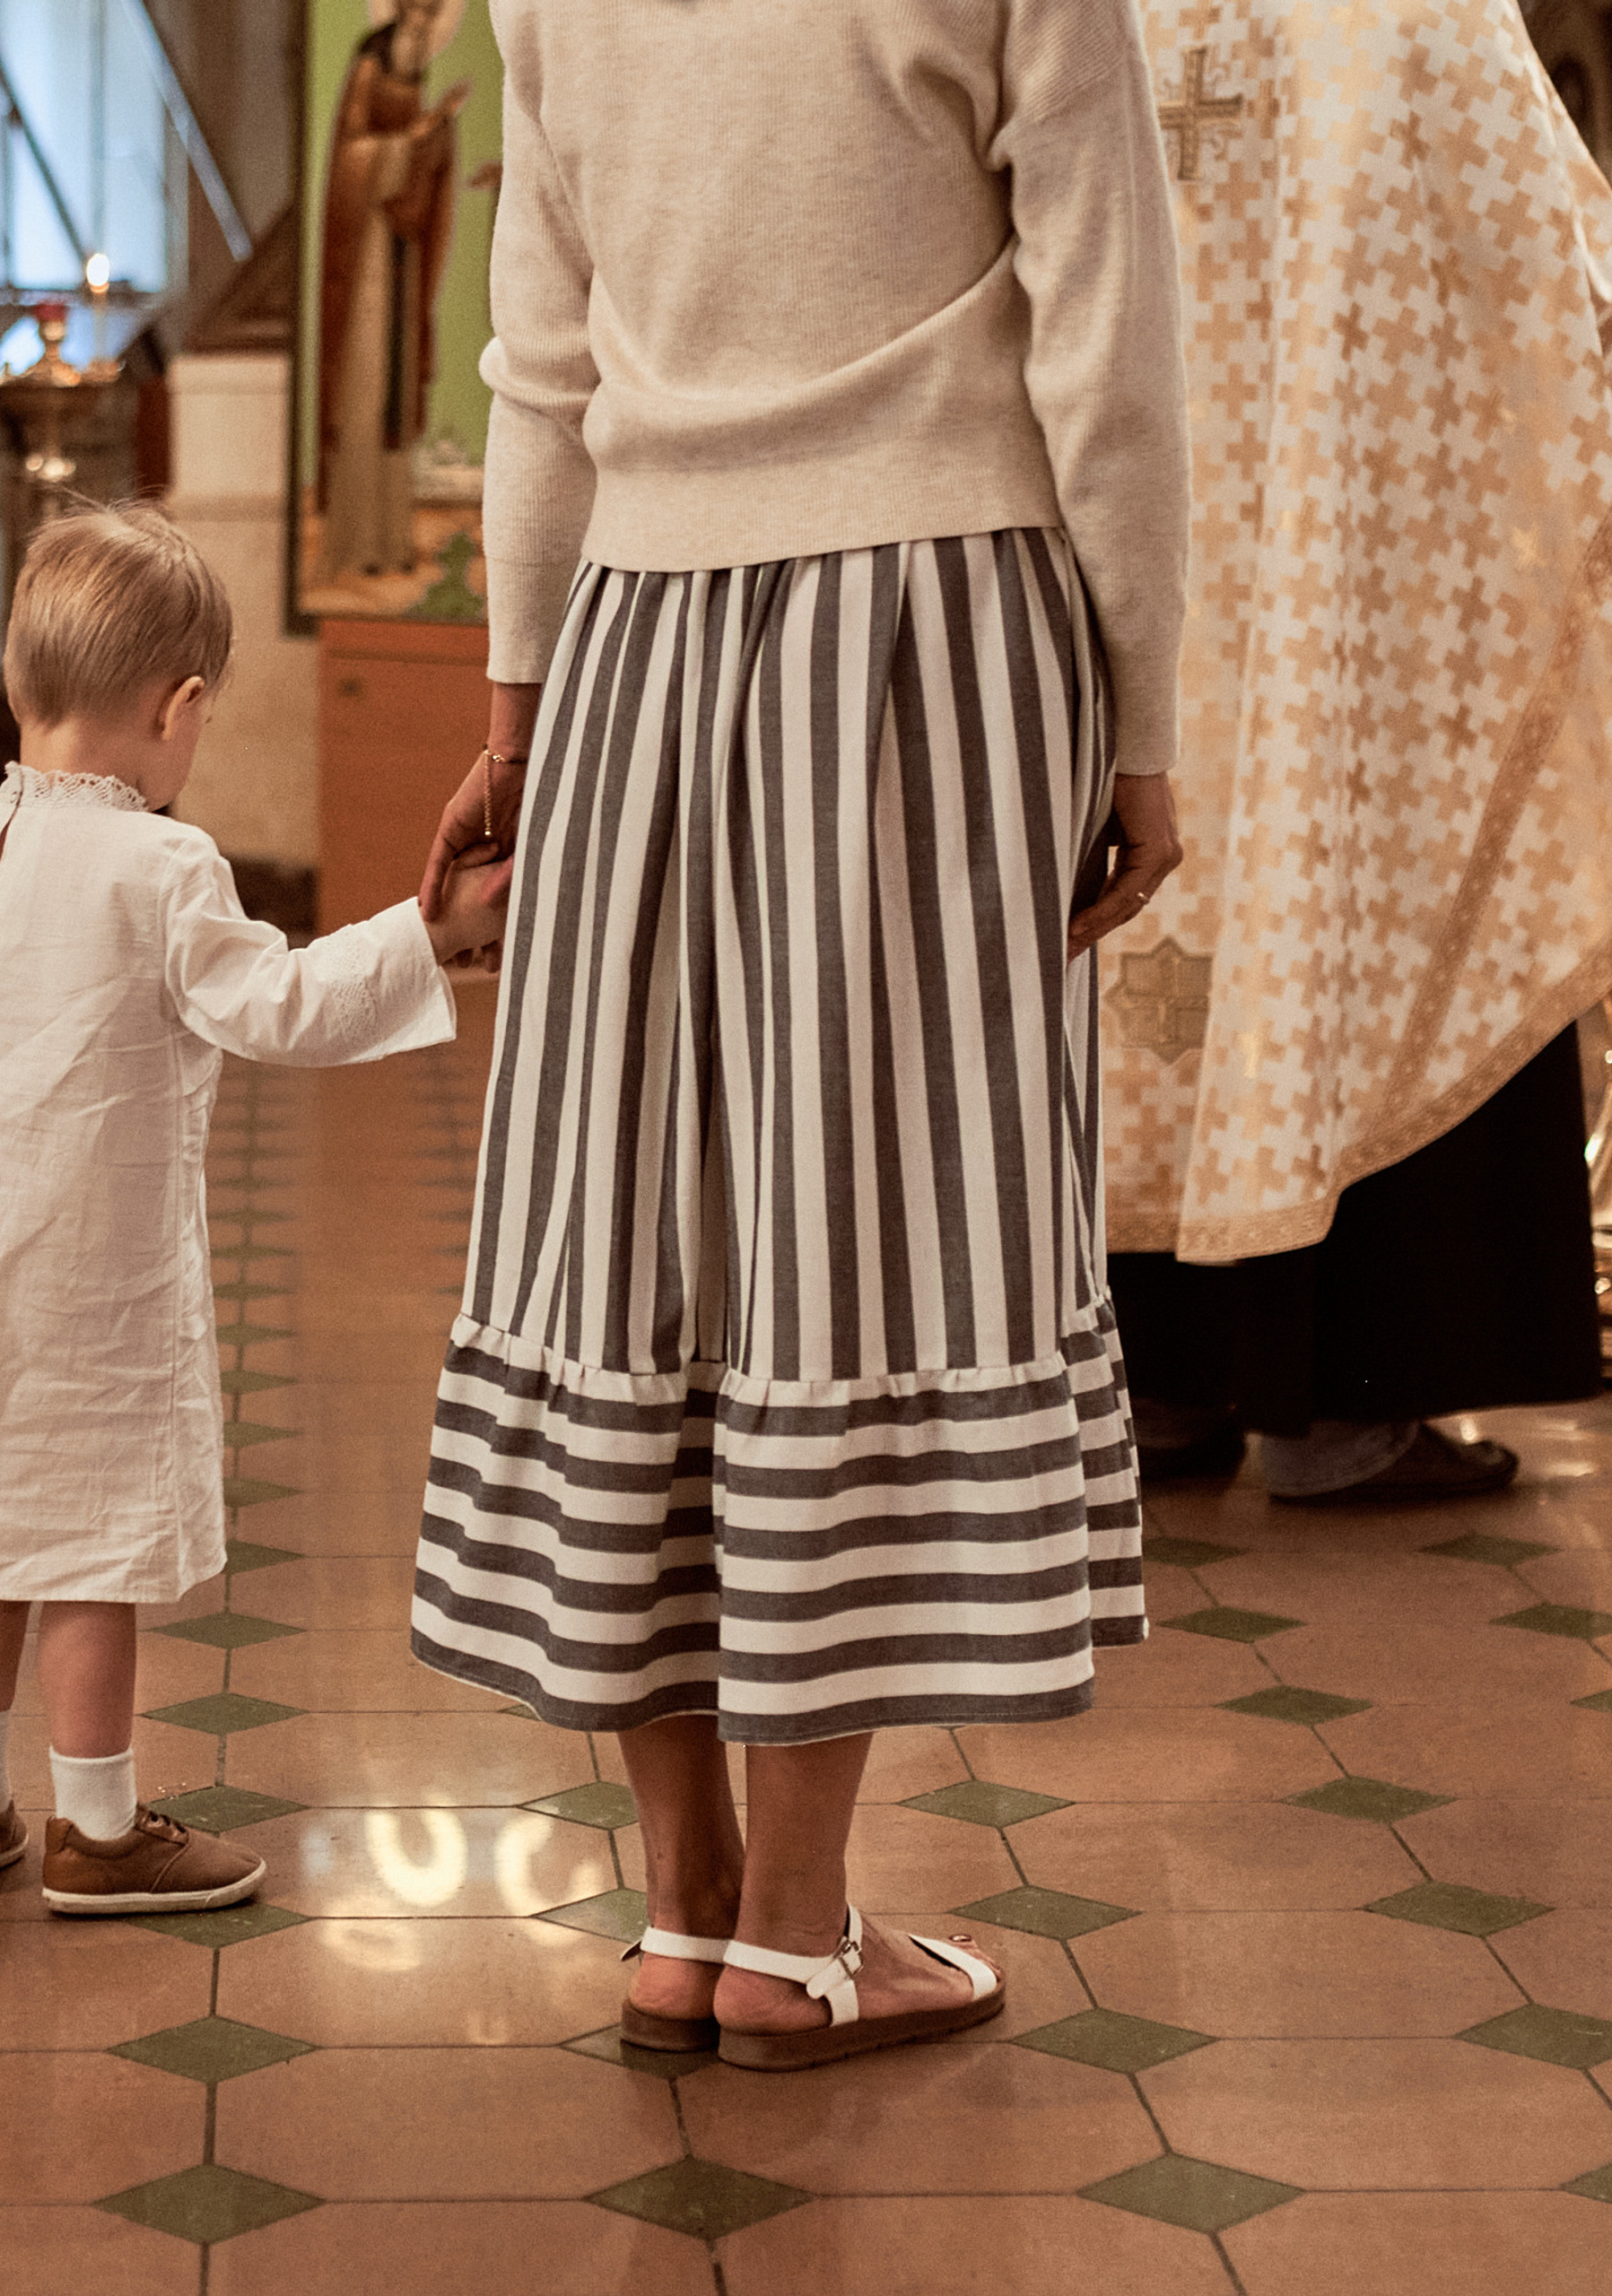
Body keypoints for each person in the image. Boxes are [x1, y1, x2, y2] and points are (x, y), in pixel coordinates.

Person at [410, 0, 1189, 2070]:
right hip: (938, 626)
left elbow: (538, 355)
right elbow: (1107, 337)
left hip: (631, 636)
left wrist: (515, 705)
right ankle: (794, 1932)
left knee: (639, 1248)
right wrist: (1143, 723)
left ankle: (679, 1905)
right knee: (856, 1251)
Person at [0, 505, 508, 1910]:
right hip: (100, 1285)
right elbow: (280, 1004)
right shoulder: (162, 867)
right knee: (92, 1548)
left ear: (21, 680)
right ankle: (97, 1828)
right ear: (179, 705)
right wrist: (432, 934)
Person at [1106, 0, 1612, 1500]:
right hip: (1355, 579)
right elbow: (1538, 250)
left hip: (1140, 557)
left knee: (1141, 939)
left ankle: (1157, 1379)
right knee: (1357, 901)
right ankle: (1345, 1405)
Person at [314, 0, 468, 581]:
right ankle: (357, 543)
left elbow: (424, 171)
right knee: (363, 394)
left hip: (401, 259)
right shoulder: (367, 70)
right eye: (418, 15)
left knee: (394, 402)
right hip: (363, 264)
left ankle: (390, 540)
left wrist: (437, 135)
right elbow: (353, 156)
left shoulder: (414, 80)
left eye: (433, 19)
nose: (424, 29)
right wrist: (416, 138)